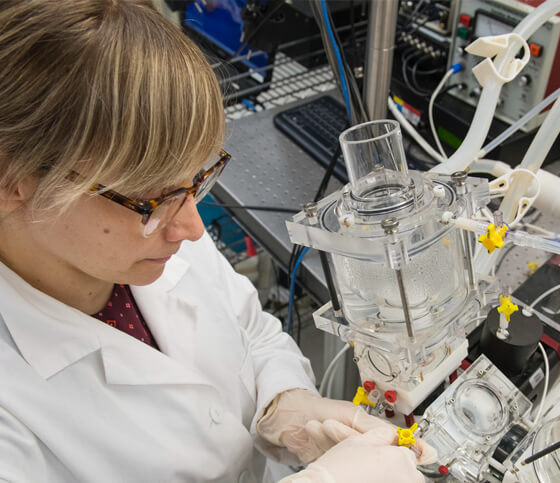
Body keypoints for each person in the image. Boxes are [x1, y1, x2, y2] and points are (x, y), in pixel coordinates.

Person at [0, 1, 434, 482]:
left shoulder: (153, 242)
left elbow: (249, 329)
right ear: (13, 182)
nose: (192, 227)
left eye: (195, 182)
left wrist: (285, 407)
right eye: (152, 198)